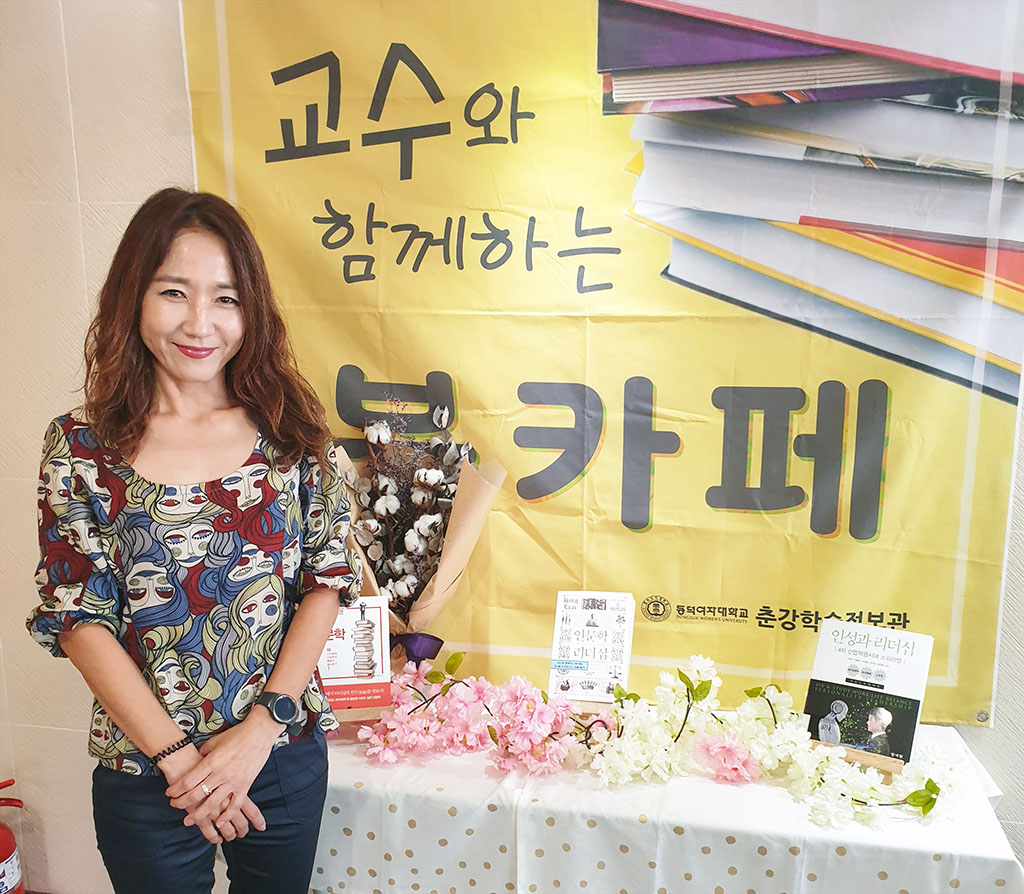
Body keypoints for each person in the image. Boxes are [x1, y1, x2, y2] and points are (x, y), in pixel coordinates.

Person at [27, 187, 361, 894]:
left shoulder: (292, 433)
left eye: (226, 298)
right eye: (174, 292)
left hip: (278, 752)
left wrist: (259, 732)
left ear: (252, 310)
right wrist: (183, 764)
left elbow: (326, 584)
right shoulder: (81, 446)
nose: (200, 323)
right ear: (133, 297)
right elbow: (79, 619)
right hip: (147, 770)